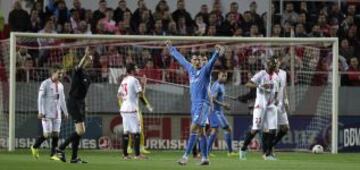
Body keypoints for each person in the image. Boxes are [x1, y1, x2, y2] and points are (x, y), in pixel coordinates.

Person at [166, 40, 224, 166]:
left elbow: (211, 63)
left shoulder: (205, 71)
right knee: (201, 131)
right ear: (191, 61)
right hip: (195, 105)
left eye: (199, 59)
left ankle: (185, 157)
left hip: (203, 104)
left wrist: (217, 53)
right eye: (195, 59)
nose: (197, 61)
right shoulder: (190, 69)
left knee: (193, 128)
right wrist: (171, 49)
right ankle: (205, 158)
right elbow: (181, 59)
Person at [55, 47, 93, 163]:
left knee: (79, 132)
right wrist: (85, 57)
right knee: (80, 131)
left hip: (80, 103)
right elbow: (78, 67)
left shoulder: (87, 75)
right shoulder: (77, 71)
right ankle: (60, 148)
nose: (91, 61)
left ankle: (74, 158)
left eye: (91, 60)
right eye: (89, 59)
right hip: (73, 102)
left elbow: (84, 92)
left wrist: (85, 104)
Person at [239, 57, 280, 160]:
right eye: (271, 64)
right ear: (267, 64)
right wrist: (260, 85)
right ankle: (243, 149)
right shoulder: (261, 74)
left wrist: (275, 100)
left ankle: (267, 154)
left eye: (274, 65)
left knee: (273, 130)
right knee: (256, 129)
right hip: (260, 105)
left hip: (271, 106)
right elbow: (248, 84)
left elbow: (276, 91)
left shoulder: (276, 77)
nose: (272, 66)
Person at [31, 64, 68, 160]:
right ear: (53, 73)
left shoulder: (61, 85)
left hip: (57, 113)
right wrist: (40, 111)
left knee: (56, 134)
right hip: (46, 112)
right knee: (47, 134)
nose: (61, 75)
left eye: (62, 74)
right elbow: (40, 98)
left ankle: (53, 154)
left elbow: (62, 99)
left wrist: (65, 112)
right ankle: (34, 147)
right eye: (59, 73)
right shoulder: (45, 83)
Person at [118, 64, 149, 160]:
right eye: (135, 68)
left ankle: (125, 155)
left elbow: (119, 95)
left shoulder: (124, 80)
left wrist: (125, 101)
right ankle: (137, 155)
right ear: (131, 70)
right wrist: (144, 84)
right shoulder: (134, 80)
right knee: (137, 132)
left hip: (124, 108)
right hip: (132, 109)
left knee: (126, 131)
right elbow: (141, 95)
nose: (137, 69)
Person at [207, 70, 237, 157]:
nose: (224, 77)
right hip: (215, 112)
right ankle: (230, 152)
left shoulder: (222, 85)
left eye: (226, 76)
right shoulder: (216, 86)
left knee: (215, 130)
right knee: (228, 129)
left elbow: (219, 97)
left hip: (218, 111)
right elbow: (212, 99)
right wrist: (224, 105)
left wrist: (224, 105)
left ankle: (207, 152)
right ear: (218, 76)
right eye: (223, 75)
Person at [126, 75, 153, 154]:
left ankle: (141, 147)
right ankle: (129, 147)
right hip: (129, 110)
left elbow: (141, 96)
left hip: (137, 111)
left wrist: (144, 84)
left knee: (140, 129)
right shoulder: (129, 87)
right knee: (130, 129)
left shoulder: (137, 87)